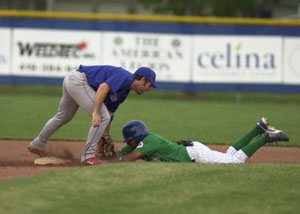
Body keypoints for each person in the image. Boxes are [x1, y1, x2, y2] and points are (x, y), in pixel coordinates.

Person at [28, 65, 159, 165]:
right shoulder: (125, 77)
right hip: (79, 81)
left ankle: (38, 143)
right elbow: (103, 87)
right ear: (143, 80)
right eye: (149, 85)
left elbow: (109, 113)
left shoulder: (124, 92)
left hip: (73, 80)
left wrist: (106, 136)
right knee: (100, 117)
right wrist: (96, 112)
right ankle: (88, 156)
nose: (149, 89)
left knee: (63, 116)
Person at [111, 117, 289, 163]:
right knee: (228, 155)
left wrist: (108, 161)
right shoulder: (143, 141)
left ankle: (267, 137)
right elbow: (122, 153)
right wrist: (106, 155)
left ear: (137, 138)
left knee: (235, 162)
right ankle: (258, 128)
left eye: (130, 140)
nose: (128, 143)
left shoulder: (148, 142)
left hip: (195, 154)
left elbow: (128, 158)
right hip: (193, 150)